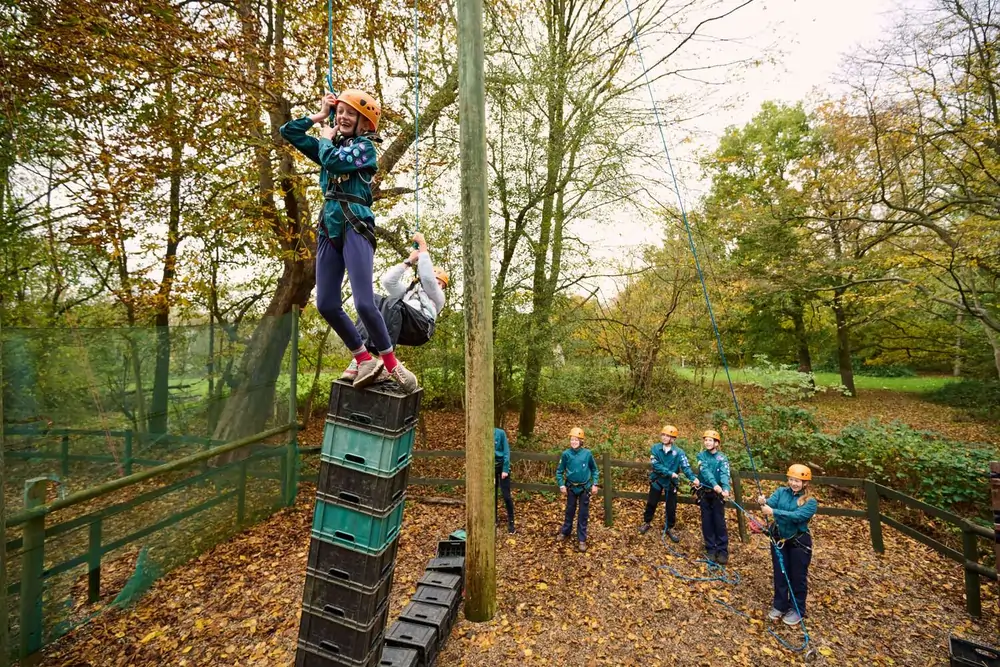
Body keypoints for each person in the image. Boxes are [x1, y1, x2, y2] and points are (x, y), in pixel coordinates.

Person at [279, 89, 417, 393]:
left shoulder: (366, 149)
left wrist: (325, 138)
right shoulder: (332, 143)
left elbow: (336, 162)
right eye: (339, 111)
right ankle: (362, 357)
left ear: (364, 123)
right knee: (327, 303)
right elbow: (288, 132)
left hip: (355, 222)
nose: (341, 117)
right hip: (329, 224)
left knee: (365, 302)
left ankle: (391, 364)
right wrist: (318, 116)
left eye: (349, 113)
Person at [340, 232, 448, 383]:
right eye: (437, 280)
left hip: (422, 327)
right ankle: (361, 358)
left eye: (440, 283)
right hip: (403, 325)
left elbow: (428, 279)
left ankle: (387, 362)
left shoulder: (437, 297)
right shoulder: (409, 292)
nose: (437, 284)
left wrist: (423, 247)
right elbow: (388, 281)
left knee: (394, 303)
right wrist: (409, 261)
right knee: (371, 300)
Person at [757, 464, 817, 627]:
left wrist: (774, 512)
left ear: (805, 483)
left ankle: (798, 609)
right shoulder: (781, 492)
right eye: (791, 479)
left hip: (799, 543)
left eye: (798, 481)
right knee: (780, 573)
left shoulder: (810, 502)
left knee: (797, 576)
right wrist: (763, 502)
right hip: (779, 539)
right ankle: (780, 605)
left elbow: (797, 516)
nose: (794, 483)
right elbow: (770, 503)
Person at [639, 425, 696, 541]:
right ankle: (647, 522)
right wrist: (670, 472)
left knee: (671, 506)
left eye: (668, 436)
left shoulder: (679, 452)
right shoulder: (655, 448)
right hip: (658, 480)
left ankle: (670, 527)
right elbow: (656, 465)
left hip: (671, 483)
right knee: (651, 502)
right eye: (663, 435)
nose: (664, 438)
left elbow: (686, 467)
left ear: (673, 439)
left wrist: (692, 478)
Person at [555, 427, 599, 552]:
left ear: (581, 441)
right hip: (571, 487)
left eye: (576, 440)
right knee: (569, 510)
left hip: (584, 487)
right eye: (572, 439)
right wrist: (561, 485)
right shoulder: (566, 454)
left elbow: (595, 469)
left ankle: (581, 539)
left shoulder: (587, 454)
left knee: (583, 514)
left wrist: (595, 483)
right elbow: (559, 471)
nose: (573, 442)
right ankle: (566, 531)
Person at [693, 429, 731, 564]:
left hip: (718, 495)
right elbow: (705, 471)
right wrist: (715, 484)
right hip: (705, 492)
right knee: (707, 522)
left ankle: (722, 551)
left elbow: (725, 474)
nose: (707, 442)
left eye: (710, 440)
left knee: (719, 522)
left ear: (716, 443)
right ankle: (711, 549)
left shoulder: (722, 458)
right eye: (706, 440)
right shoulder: (701, 456)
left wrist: (726, 488)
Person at [494, 427, 515, 534]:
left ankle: (511, 521)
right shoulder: (483, 432)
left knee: (506, 496)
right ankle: (494, 519)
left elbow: (506, 451)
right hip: (490, 467)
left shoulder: (500, 433)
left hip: (502, 466)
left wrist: (505, 469)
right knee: (492, 496)